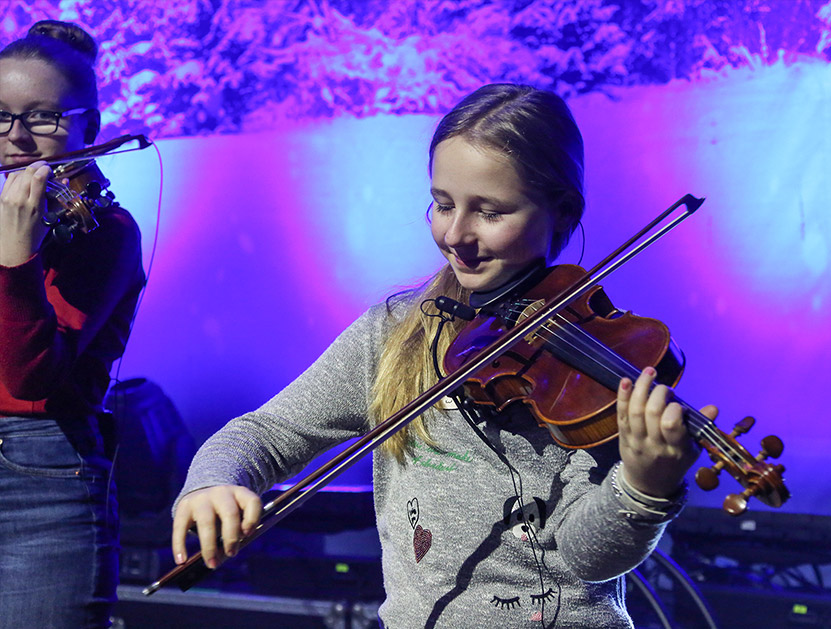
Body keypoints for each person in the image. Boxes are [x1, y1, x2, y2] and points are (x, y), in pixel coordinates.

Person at [173, 83, 714, 627]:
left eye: (491, 212)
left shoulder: (597, 362)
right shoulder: (393, 333)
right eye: (443, 204)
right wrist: (217, 478)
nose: (455, 235)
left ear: (562, 214)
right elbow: (268, 432)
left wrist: (643, 486)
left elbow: (587, 556)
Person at [0, 20, 145, 628]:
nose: (16, 139)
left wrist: (17, 260)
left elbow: (30, 375)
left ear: (90, 127)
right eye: (0, 116)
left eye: (43, 118)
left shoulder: (103, 233)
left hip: (43, 476)